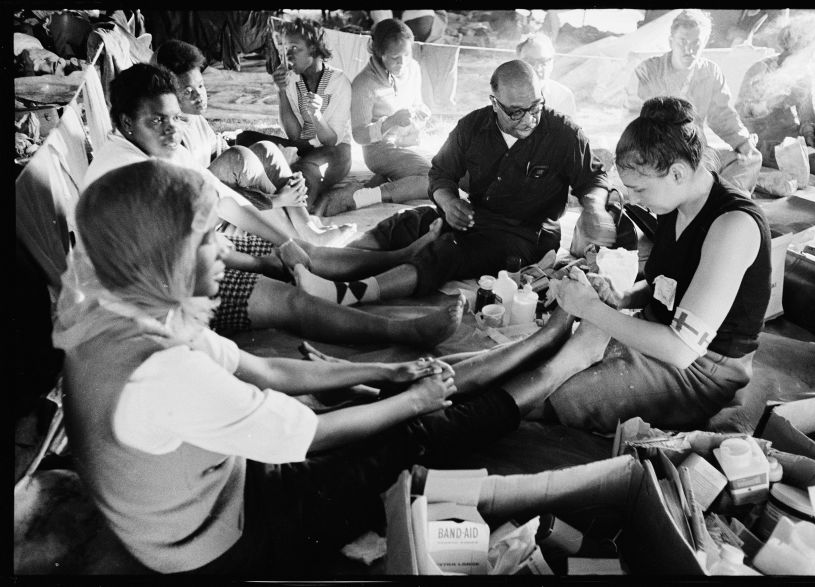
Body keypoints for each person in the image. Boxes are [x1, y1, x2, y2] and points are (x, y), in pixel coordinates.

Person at [53, 158, 612, 575]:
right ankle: (565, 359)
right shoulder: (164, 372)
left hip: (214, 491)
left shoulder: (126, 303)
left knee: (378, 391)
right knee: (407, 434)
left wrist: (380, 377)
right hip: (219, 542)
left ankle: (545, 338)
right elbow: (313, 432)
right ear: (165, 256)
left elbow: (262, 371)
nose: (224, 254)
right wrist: (408, 402)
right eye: (207, 242)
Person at [82, 61, 461, 345]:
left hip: (195, 253)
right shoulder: (124, 177)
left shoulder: (160, 149)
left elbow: (225, 201)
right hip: (158, 296)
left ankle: (400, 258)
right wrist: (266, 262)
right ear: (127, 123)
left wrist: (285, 243)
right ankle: (402, 331)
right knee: (290, 299)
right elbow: (189, 255)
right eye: (156, 121)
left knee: (304, 250)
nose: (171, 130)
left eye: (174, 118)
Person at [292, 59, 616, 306]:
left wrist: (593, 207)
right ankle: (326, 265)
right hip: (472, 215)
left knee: (447, 250)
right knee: (409, 222)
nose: (530, 119)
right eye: (516, 112)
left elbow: (595, 178)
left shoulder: (562, 133)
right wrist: (448, 202)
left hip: (524, 236)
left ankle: (351, 294)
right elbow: (440, 174)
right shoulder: (472, 126)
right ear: (495, 102)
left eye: (536, 107)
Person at [540, 96, 772, 432]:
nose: (634, 200)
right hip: (657, 334)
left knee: (560, 396)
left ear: (677, 173)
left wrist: (591, 309)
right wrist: (620, 299)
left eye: (639, 189)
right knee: (546, 363)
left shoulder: (732, 226)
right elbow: (666, 283)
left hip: (703, 369)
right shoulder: (674, 203)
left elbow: (681, 350)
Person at [153, 38, 356, 247]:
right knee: (238, 156)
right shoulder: (171, 136)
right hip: (202, 207)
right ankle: (300, 240)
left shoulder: (196, 119)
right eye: (187, 91)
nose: (199, 96)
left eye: (201, 85)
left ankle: (309, 230)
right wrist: (275, 200)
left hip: (222, 191)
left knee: (265, 149)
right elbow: (203, 191)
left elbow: (218, 151)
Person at [230, 19, 356, 219]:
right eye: (286, 48)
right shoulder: (292, 79)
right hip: (303, 146)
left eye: (295, 48)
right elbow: (294, 134)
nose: (288, 55)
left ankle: (299, 206)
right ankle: (286, 181)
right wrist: (281, 92)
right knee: (244, 139)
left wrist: (316, 115)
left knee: (304, 169)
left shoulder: (339, 82)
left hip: (334, 152)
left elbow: (330, 141)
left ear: (313, 49)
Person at [630, 9, 762, 195]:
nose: (689, 49)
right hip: (659, 155)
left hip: (699, 154)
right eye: (682, 41)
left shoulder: (710, 71)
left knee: (752, 158)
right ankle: (708, 195)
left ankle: (727, 202)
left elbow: (722, 116)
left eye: (696, 43)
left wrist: (743, 142)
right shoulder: (649, 71)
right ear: (671, 41)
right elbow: (632, 120)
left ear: (705, 42)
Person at [317, 18, 434, 216]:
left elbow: (417, 102)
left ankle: (380, 180)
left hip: (408, 141)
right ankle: (363, 197)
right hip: (379, 150)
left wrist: (421, 112)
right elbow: (359, 136)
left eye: (406, 54)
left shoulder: (412, 68)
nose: (402, 62)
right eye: (395, 57)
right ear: (380, 54)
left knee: (453, 168)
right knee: (434, 180)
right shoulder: (364, 84)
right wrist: (390, 122)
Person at [736, 17, 815, 183]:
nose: (813, 55)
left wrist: (808, 130)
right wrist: (776, 100)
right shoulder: (761, 69)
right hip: (765, 141)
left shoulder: (803, 74)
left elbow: (807, 117)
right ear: (798, 45)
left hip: (793, 138)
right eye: (812, 50)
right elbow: (744, 114)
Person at [515, 33, 576, 120]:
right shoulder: (502, 93)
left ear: (552, 64)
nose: (537, 68)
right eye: (529, 61)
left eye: (543, 62)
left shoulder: (563, 96)